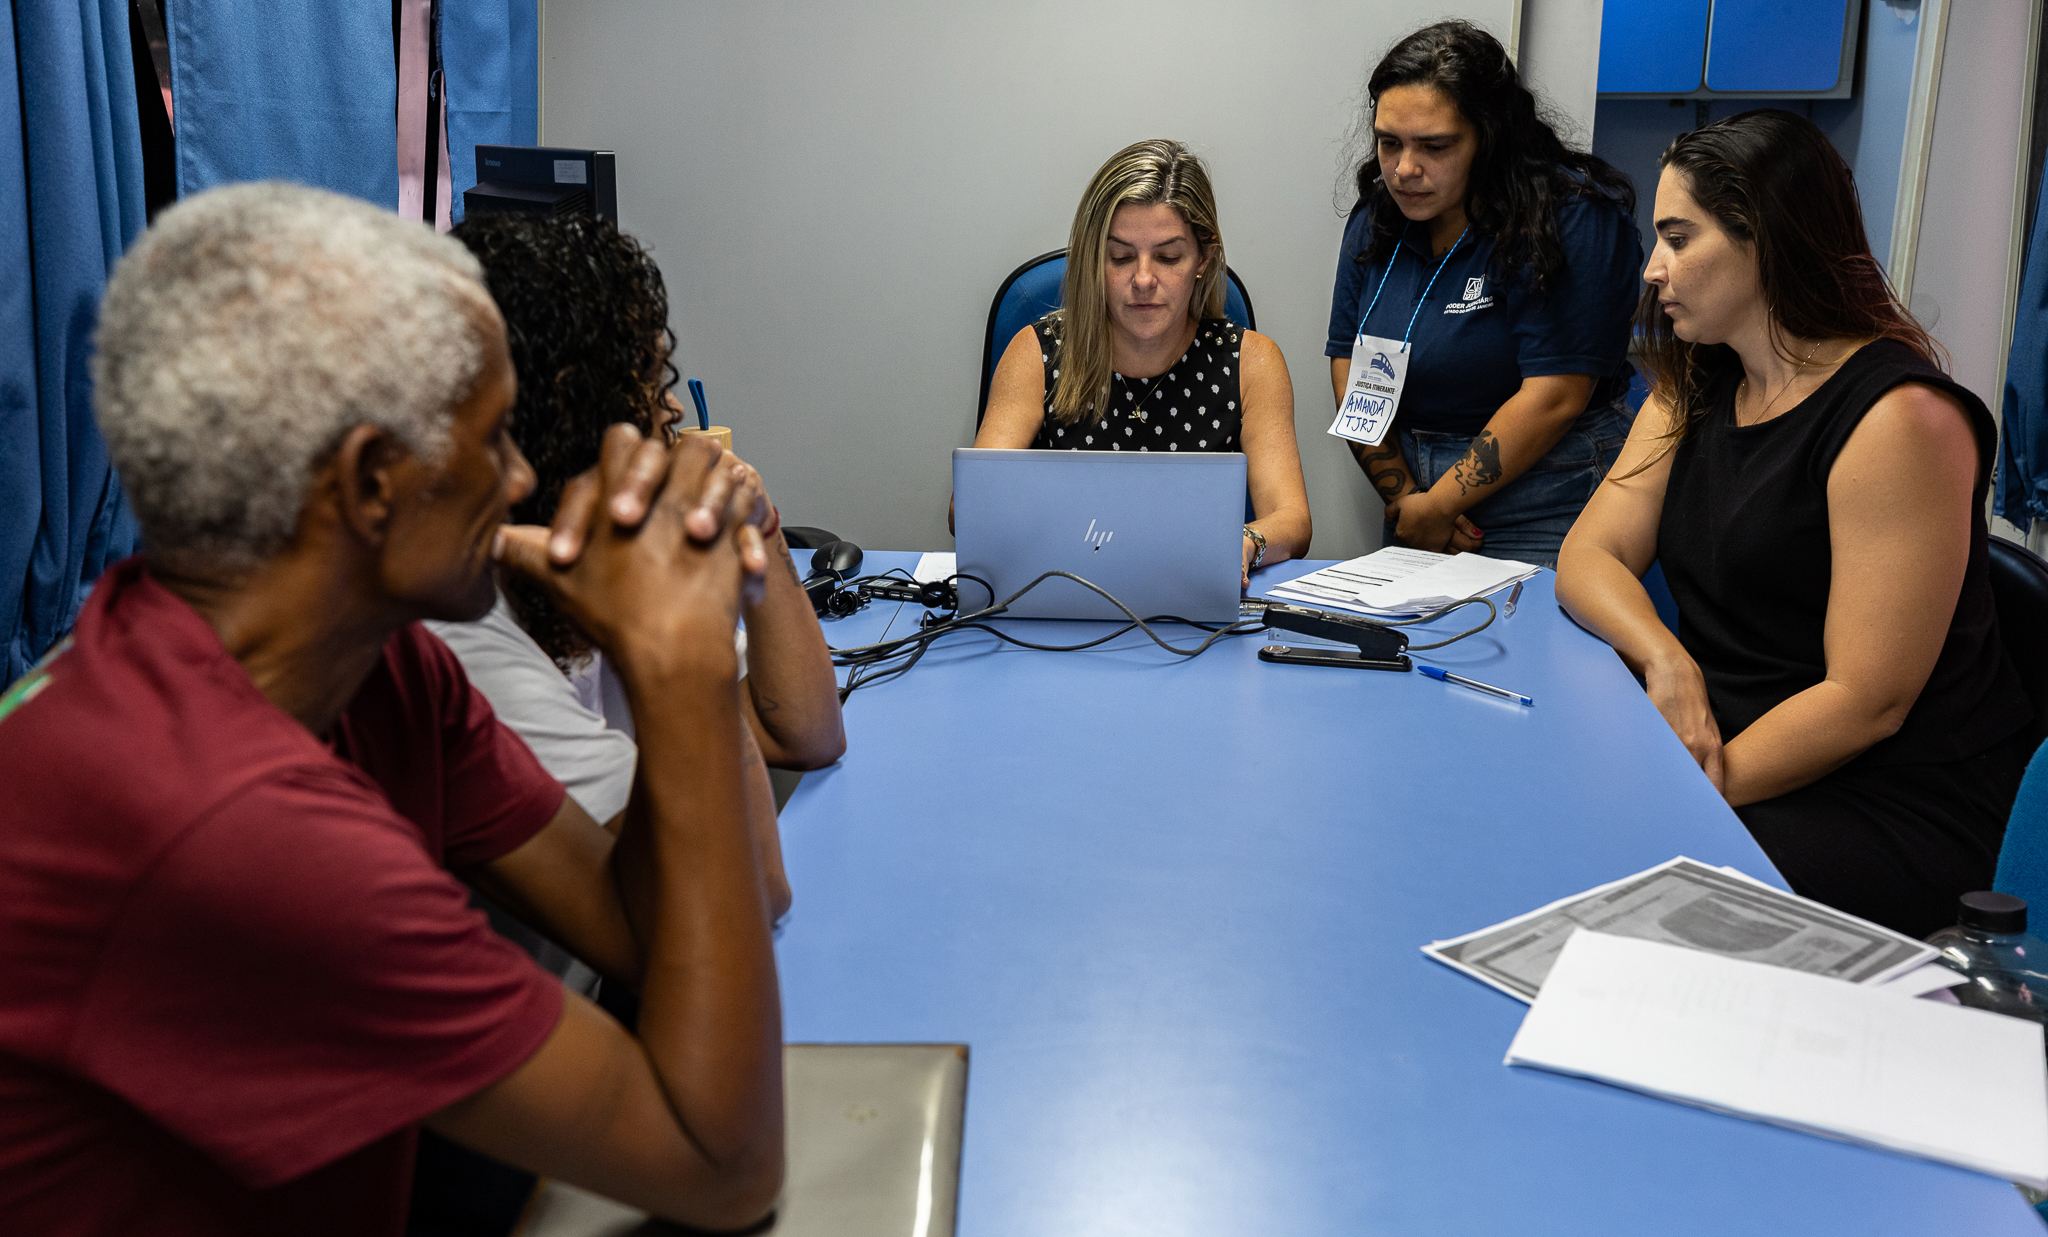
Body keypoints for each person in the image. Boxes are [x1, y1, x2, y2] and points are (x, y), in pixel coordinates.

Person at [0, 182, 787, 1235]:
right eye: (493, 437)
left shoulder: (376, 668)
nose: (518, 480)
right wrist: (687, 672)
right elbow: (721, 1164)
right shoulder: (227, 823)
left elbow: (638, 933)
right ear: (374, 482)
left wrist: (674, 656)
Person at [1556, 110, 2032, 939]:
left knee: (1602, 893)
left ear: (1764, 239)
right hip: (1732, 750)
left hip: (1884, 799)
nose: (1651, 269)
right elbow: (1589, 554)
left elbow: (1865, 701)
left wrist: (1687, 790)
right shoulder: (1697, 380)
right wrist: (1667, 660)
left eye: (1677, 237)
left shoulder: (1899, 418)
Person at [436, 213, 843, 804]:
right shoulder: (478, 641)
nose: (672, 409)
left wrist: (764, 527)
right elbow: (750, 884)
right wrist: (676, 634)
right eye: (651, 384)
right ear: (575, 408)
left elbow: (806, 733)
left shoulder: (602, 556)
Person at [1328, 20, 1640, 568]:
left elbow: (1556, 395)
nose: (1404, 169)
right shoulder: (1377, 219)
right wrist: (1407, 500)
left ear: (1489, 138)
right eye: (1389, 143)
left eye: (1435, 146)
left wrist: (1439, 505)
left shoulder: (1572, 218)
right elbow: (1348, 365)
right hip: (1417, 503)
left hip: (1548, 495)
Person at [976, 138, 1311, 585]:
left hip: (1195, 599)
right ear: (1094, 261)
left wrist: (1248, 540)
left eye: (1169, 257)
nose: (1143, 279)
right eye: (1120, 257)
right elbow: (971, 509)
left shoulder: (1252, 362)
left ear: (1203, 260)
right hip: (1062, 592)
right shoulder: (1037, 352)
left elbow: (1292, 520)